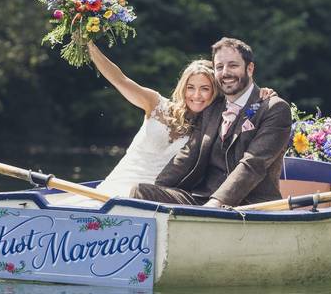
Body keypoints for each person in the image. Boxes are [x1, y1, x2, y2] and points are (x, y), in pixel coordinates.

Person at [55, 41, 274, 205]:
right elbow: (119, 80)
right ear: (183, 88)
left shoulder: (212, 125)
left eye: (205, 88)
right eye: (191, 87)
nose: (196, 95)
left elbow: (239, 94)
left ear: (214, 92)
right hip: (115, 186)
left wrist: (261, 95)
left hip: (155, 197)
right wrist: (89, 45)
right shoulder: (156, 104)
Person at [130, 37, 291, 208]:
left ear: (250, 68)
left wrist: (216, 204)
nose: (226, 72)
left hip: (249, 206)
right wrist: (159, 187)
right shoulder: (213, 107)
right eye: (219, 67)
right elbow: (188, 155)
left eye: (233, 65)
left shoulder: (274, 108)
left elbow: (253, 164)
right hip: (202, 199)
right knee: (141, 192)